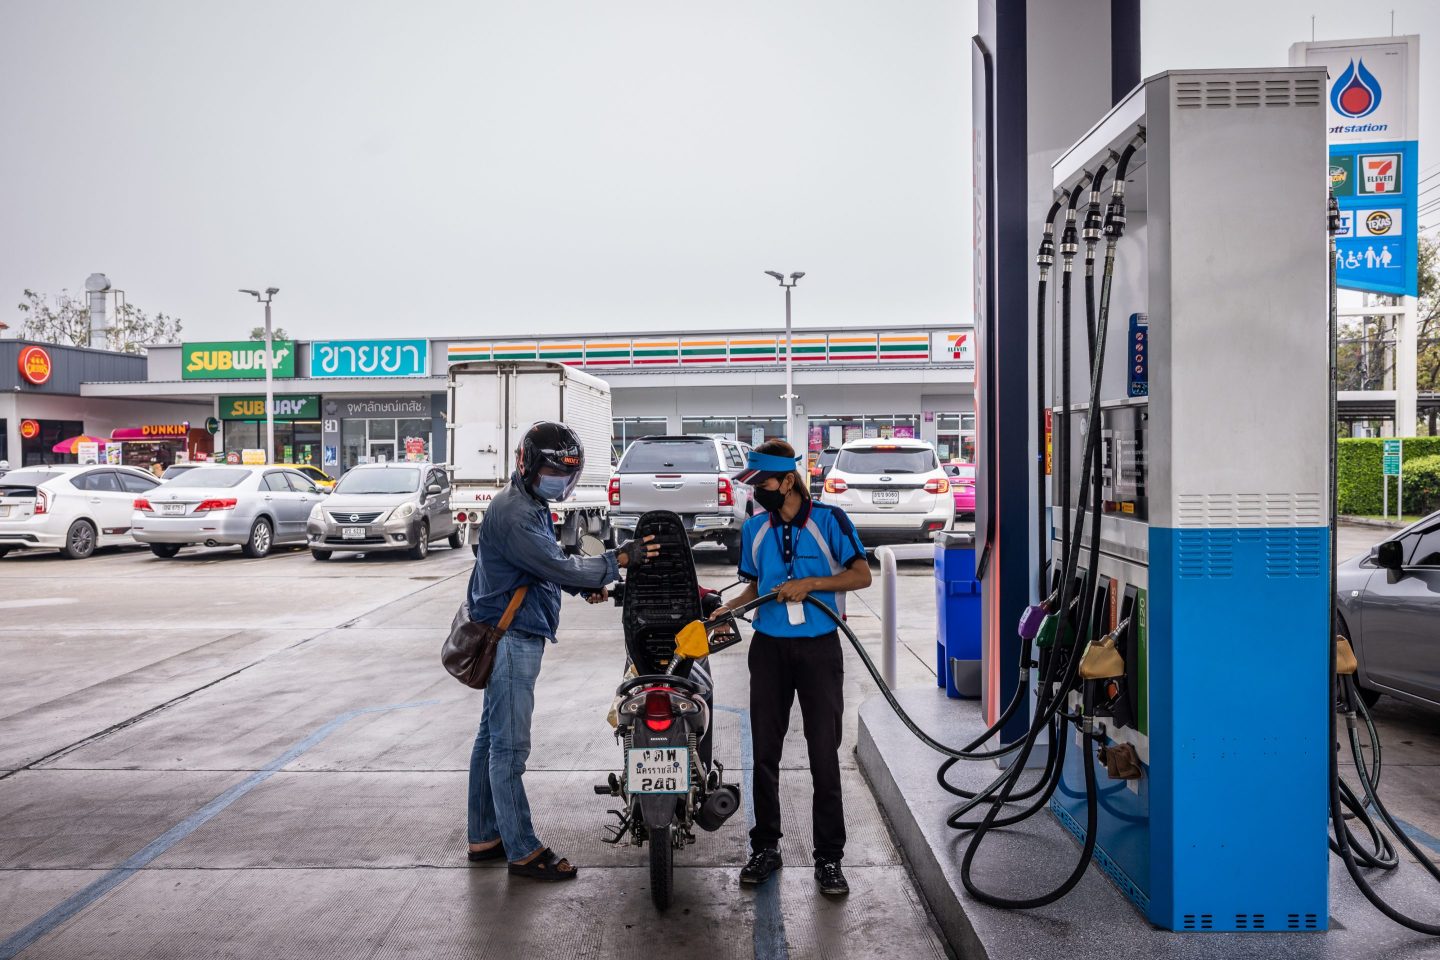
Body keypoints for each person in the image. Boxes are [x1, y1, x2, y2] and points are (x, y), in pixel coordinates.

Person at [466, 421, 658, 882]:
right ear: (527, 465)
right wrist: (617, 559)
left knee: (490, 740)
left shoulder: (528, 504)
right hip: (511, 639)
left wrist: (581, 584)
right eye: (552, 471)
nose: (559, 480)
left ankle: (485, 835)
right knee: (509, 749)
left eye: (565, 473)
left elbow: (539, 567)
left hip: (509, 632)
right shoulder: (516, 513)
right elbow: (555, 564)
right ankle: (522, 850)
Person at [711, 440, 871, 897]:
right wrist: (727, 609)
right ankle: (765, 847)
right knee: (765, 753)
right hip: (769, 651)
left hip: (820, 650)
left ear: (787, 481)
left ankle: (829, 858)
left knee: (824, 754)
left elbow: (861, 574)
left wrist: (811, 584)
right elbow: (754, 588)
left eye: (762, 483)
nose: (756, 491)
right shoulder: (755, 528)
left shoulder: (830, 520)